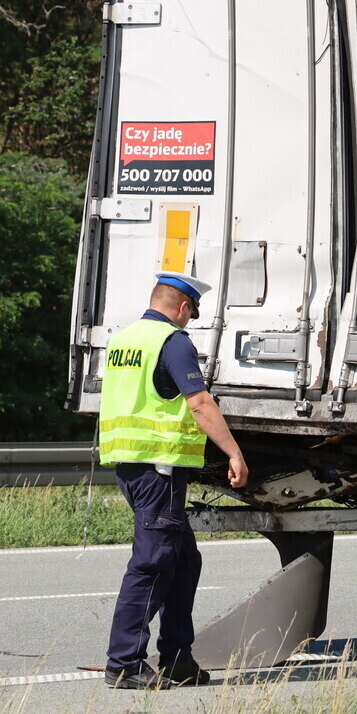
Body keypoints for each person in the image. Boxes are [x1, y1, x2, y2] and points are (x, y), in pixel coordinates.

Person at [100, 271, 250, 690]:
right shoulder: (172, 341)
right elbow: (199, 403)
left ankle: (178, 659)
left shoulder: (123, 340)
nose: (189, 320)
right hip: (159, 469)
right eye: (192, 313)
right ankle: (124, 664)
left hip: (131, 464)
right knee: (152, 564)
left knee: (183, 561)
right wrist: (234, 452)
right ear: (183, 306)